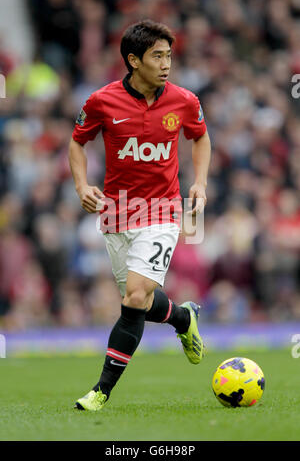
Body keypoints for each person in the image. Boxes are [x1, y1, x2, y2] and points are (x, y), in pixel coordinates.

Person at [68, 20, 211, 411]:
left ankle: (100, 391)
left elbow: (199, 136)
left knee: (134, 297)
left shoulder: (184, 100)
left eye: (169, 55)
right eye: (157, 56)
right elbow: (77, 143)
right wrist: (82, 187)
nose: (167, 63)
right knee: (142, 302)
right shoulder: (101, 101)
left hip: (163, 210)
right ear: (133, 60)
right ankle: (183, 319)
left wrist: (198, 182)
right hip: (117, 211)